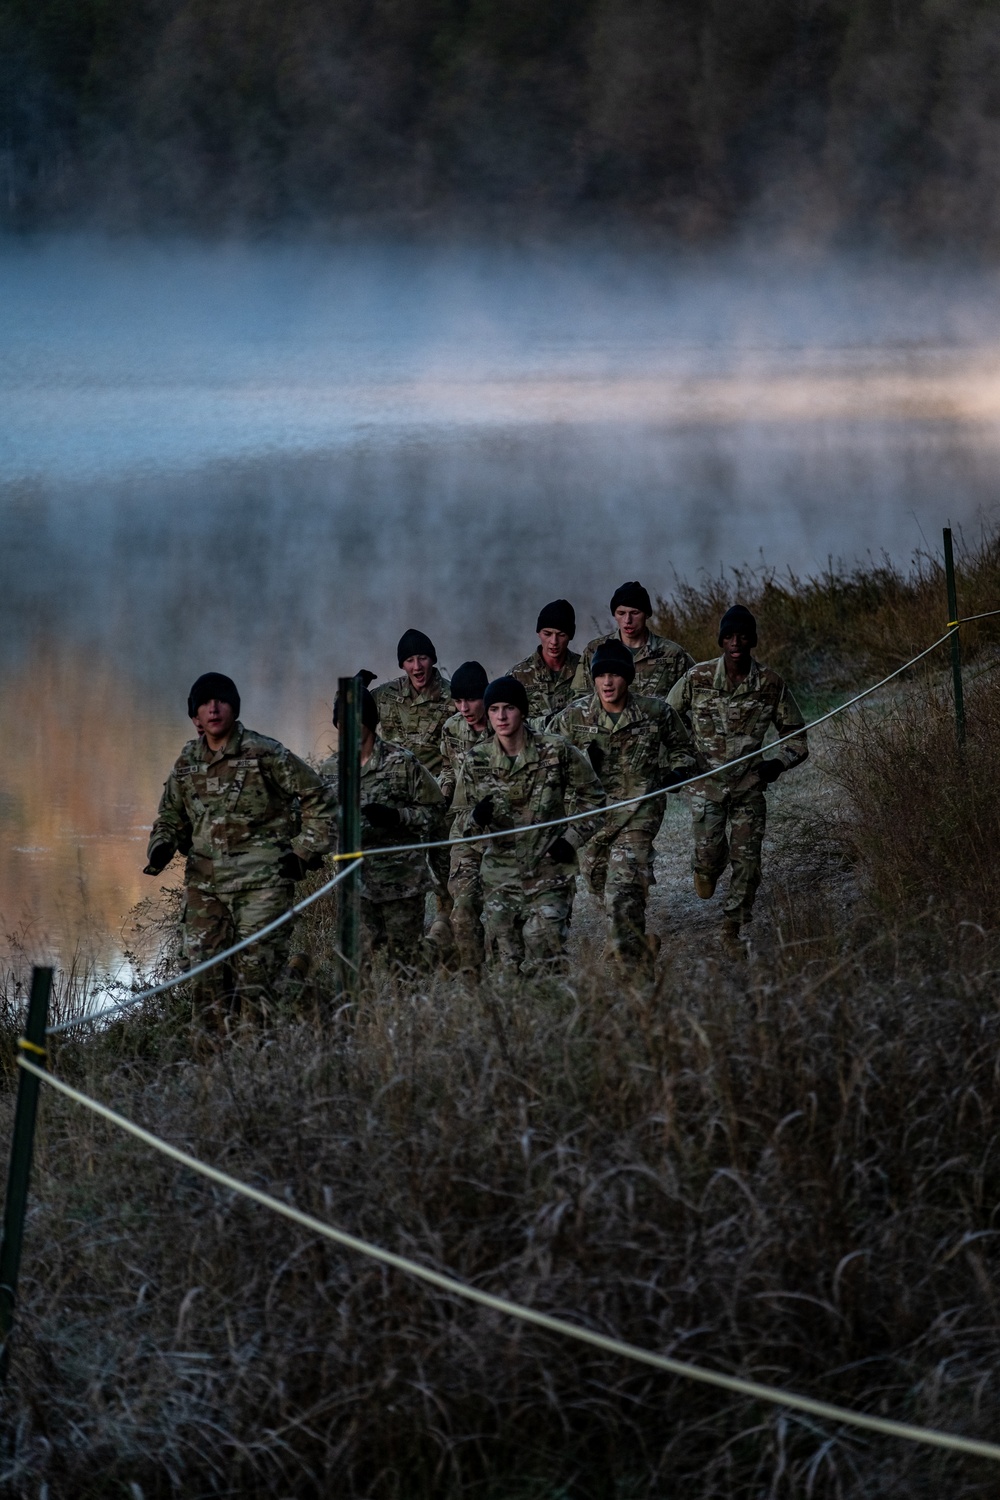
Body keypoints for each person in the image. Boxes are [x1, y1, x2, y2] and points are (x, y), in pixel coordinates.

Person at [144, 672, 333, 1019]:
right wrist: (162, 844)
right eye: (204, 702)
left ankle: (306, 1019)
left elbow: (319, 798)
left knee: (256, 983)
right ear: (195, 715)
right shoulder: (187, 762)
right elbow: (170, 814)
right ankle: (212, 1064)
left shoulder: (264, 752)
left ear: (234, 707)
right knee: (205, 982)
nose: (213, 708)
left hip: (261, 885)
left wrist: (304, 854)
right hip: (206, 888)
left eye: (221, 700)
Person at [667, 605, 808, 959]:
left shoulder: (770, 684)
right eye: (729, 637)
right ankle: (706, 868)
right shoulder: (696, 678)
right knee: (710, 859)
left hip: (748, 785)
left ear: (752, 640)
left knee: (748, 863)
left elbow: (797, 737)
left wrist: (777, 764)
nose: (736, 643)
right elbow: (664, 721)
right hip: (706, 786)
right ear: (720, 641)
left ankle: (731, 929)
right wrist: (678, 764)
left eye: (743, 636)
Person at [550, 640, 695, 977]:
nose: (608, 682)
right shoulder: (574, 717)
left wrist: (676, 772)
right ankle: (633, 937)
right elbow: (546, 755)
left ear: (628, 677)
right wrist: (580, 765)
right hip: (591, 817)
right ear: (594, 679)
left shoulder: (656, 712)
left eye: (615, 674)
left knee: (623, 886)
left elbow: (684, 751)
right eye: (601, 675)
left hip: (639, 812)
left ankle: (637, 972)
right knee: (596, 878)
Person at [451, 676, 605, 976]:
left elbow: (596, 801)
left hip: (548, 873)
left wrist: (570, 840)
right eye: (494, 709)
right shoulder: (476, 760)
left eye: (509, 708)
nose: (501, 716)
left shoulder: (556, 751)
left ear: (522, 711)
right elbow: (460, 822)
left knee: (543, 952)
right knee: (507, 967)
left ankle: (555, 1016)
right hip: (500, 878)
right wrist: (476, 819)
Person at [320, 682, 445, 968]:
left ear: (370, 721)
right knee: (354, 961)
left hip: (402, 883)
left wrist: (397, 817)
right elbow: (318, 821)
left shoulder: (401, 762)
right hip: (356, 883)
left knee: (404, 964)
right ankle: (361, 1013)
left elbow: (435, 811)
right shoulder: (330, 770)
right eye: (342, 723)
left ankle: (439, 945)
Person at [374, 628, 454, 949]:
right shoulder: (387, 695)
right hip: (399, 808)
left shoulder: (450, 698)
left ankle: (446, 937)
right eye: (409, 660)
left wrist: (448, 792)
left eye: (422, 658)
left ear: (432, 660)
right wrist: (352, 688)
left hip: (438, 802)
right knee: (404, 879)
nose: (417, 666)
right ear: (402, 665)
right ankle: (409, 941)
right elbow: (350, 713)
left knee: (447, 876)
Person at [439, 660, 493, 974]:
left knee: (506, 914)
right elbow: (448, 767)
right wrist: (446, 791)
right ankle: (474, 981)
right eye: (458, 701)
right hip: (464, 828)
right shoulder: (451, 728)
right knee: (461, 912)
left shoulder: (504, 723)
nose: (464, 708)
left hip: (503, 829)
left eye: (471, 700)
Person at [573, 581, 693, 701]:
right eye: (621, 613)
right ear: (614, 615)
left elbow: (695, 693)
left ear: (646, 614)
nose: (627, 620)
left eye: (635, 613)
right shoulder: (595, 650)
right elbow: (580, 700)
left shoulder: (672, 653)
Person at [507, 599, 581, 720]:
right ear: (538, 633)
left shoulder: (584, 670)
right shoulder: (518, 676)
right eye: (547, 634)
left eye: (561, 635)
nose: (554, 642)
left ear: (570, 636)